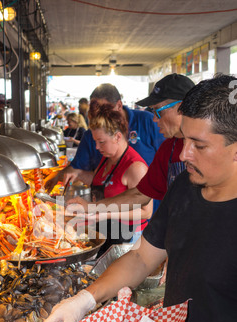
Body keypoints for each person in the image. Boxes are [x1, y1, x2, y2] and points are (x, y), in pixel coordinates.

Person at [39, 74, 237, 322]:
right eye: (183, 141)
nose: (181, 155)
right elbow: (142, 257)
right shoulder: (184, 190)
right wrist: (84, 299)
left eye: (198, 144)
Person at [81, 74, 195, 213]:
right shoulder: (167, 149)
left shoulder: (214, 144)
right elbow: (140, 194)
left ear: (182, 107)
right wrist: (92, 207)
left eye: (158, 111)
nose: (154, 119)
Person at [67, 99, 153, 256]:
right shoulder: (107, 158)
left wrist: (107, 213)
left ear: (118, 137)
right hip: (106, 232)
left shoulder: (136, 167)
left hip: (127, 239)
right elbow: (103, 182)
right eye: (95, 142)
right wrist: (77, 174)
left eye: (101, 142)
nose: (97, 147)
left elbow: (146, 211)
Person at [44, 83, 164, 193]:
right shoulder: (90, 134)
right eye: (95, 111)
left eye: (104, 111)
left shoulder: (149, 122)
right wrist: (58, 176)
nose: (99, 117)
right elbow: (85, 172)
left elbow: (143, 207)